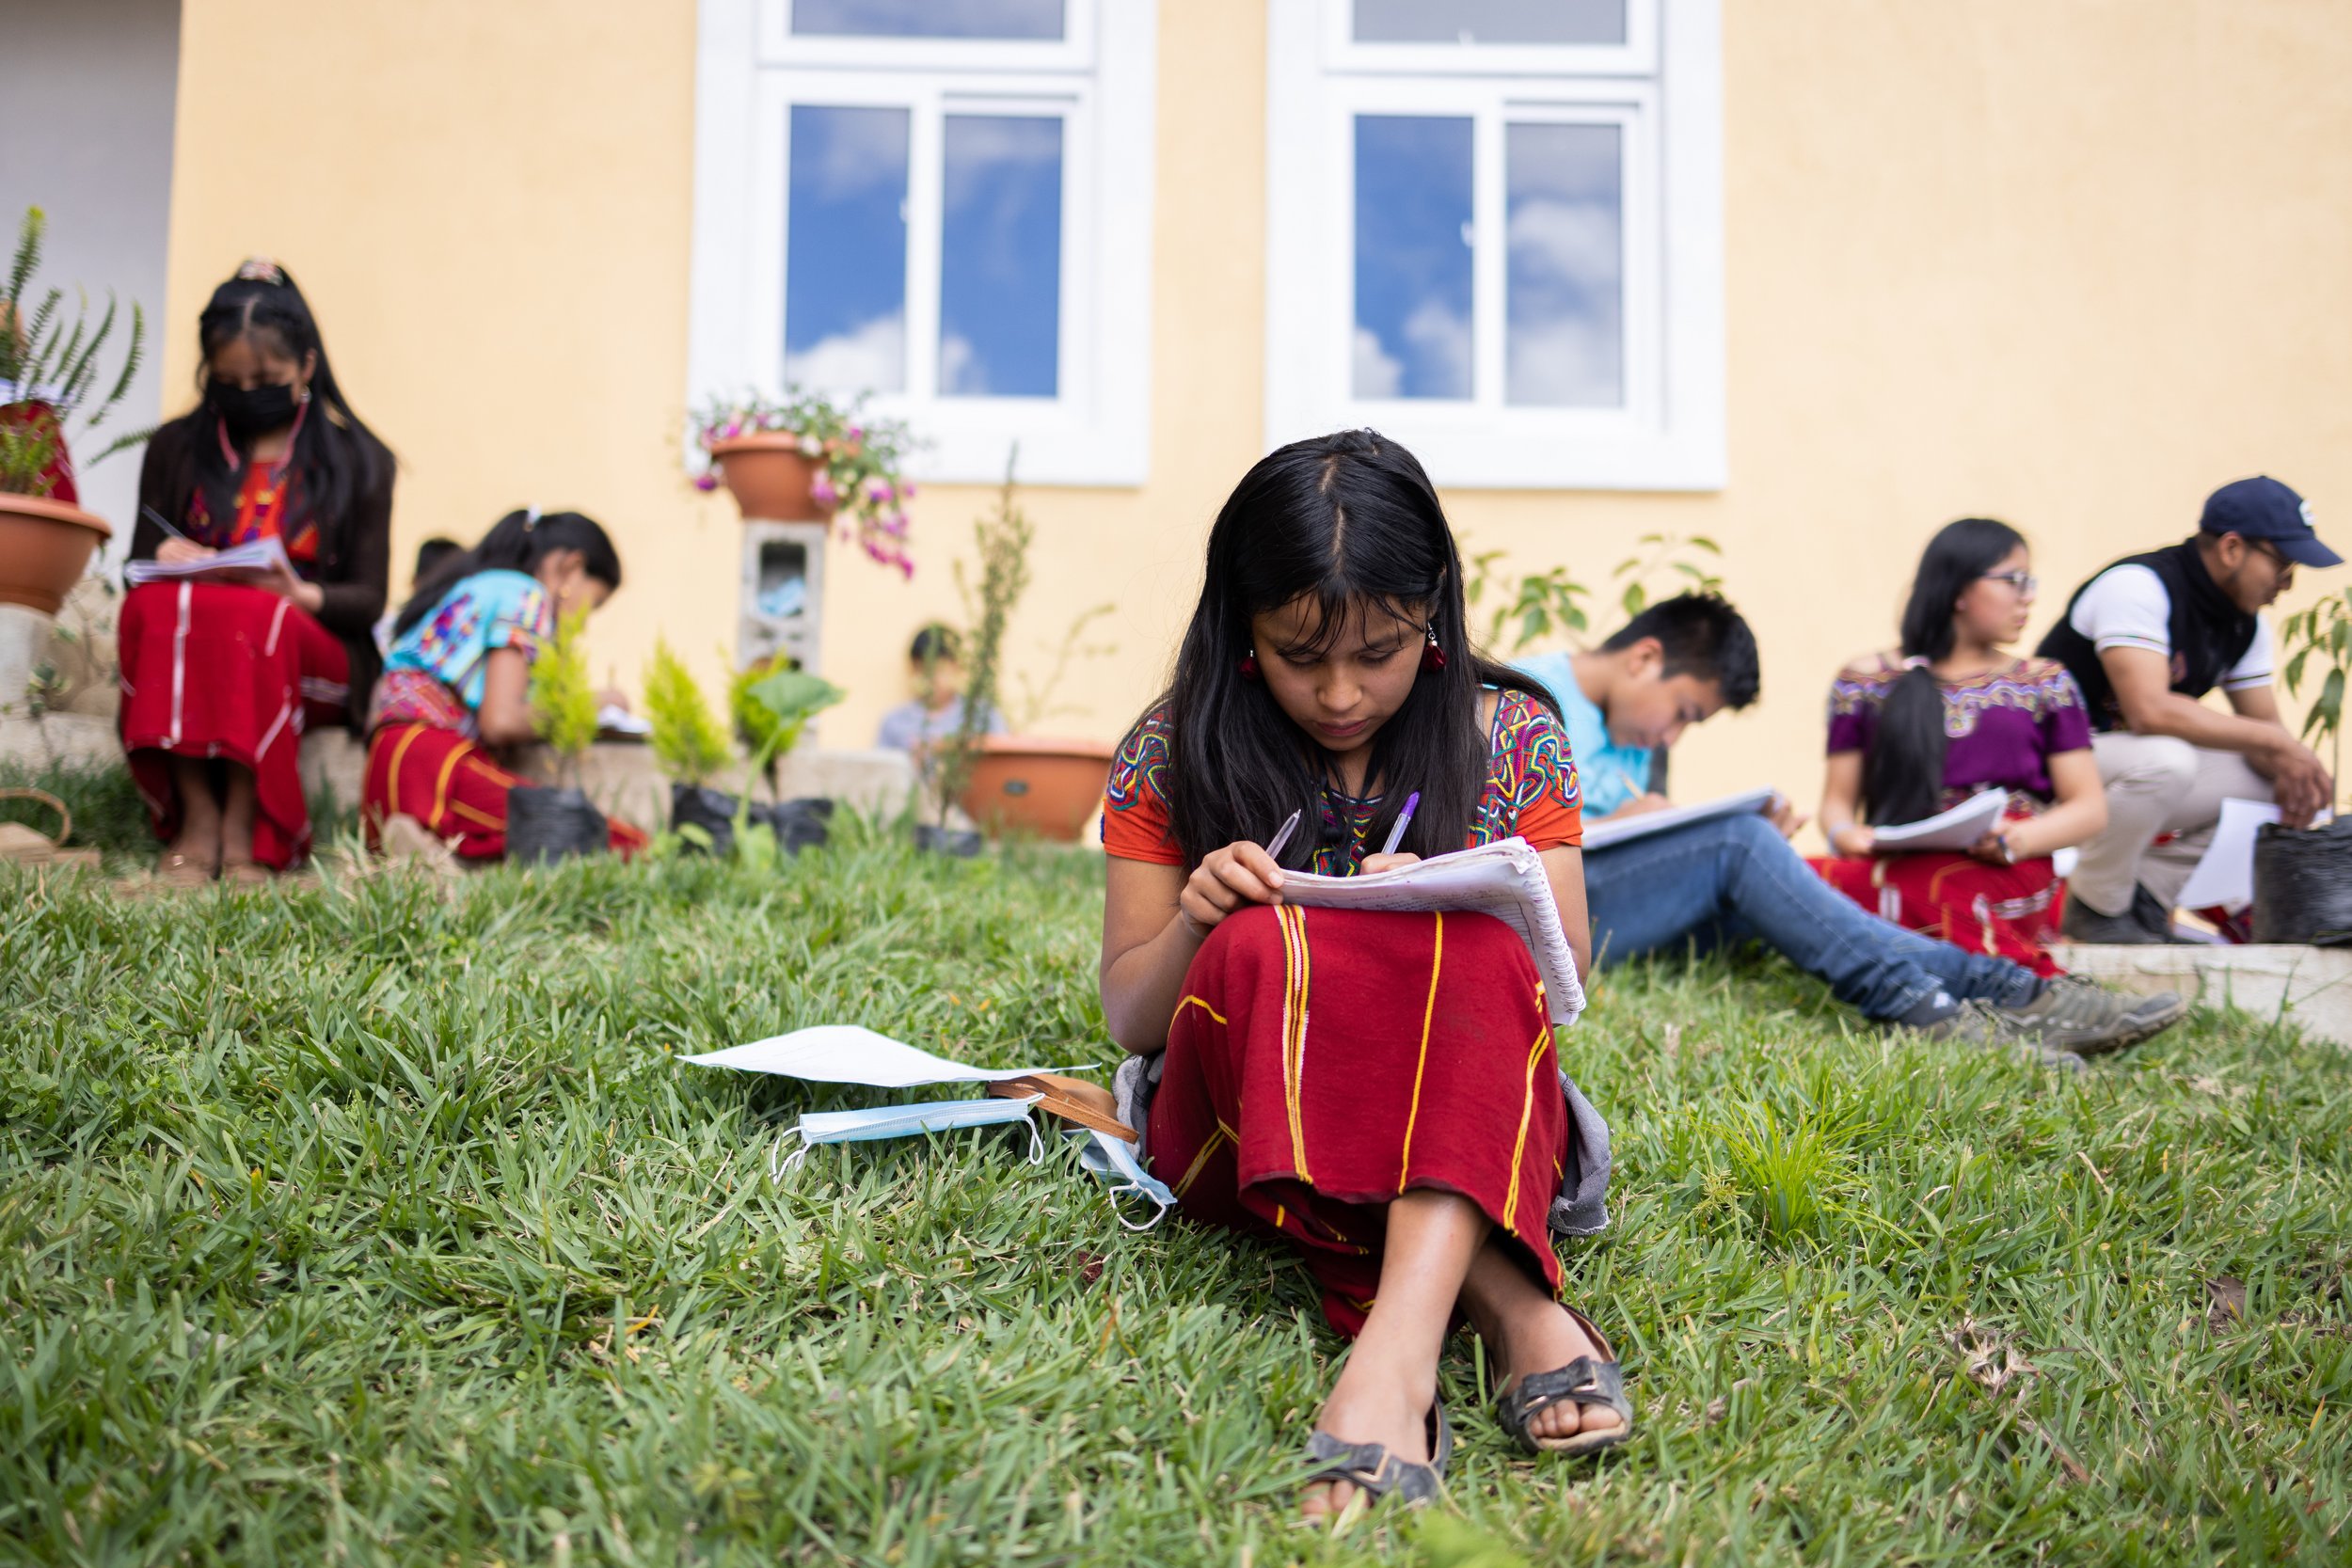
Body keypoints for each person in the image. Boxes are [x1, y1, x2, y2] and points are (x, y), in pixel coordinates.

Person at [1099, 431, 1628, 1518]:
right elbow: (1128, 1016)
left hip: (1460, 1080)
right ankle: (1507, 1298)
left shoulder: (1513, 734)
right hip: (1245, 1106)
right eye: (1298, 653)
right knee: (1256, 938)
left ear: (1432, 615)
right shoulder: (1171, 746)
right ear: (1240, 629)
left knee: (1481, 940)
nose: (1340, 692)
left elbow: (1561, 975)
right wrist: (1200, 918)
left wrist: (1459, 890)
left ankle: (1390, 1361)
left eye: (1379, 651)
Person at [1518, 595, 2181, 1065]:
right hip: (1552, 915)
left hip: (1612, 900)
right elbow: (1481, 841)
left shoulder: (1631, 729)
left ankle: (2014, 990)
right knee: (1738, 847)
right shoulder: (1523, 697)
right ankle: (1930, 1008)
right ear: (1643, 658)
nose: (1672, 735)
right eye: (1685, 713)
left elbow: (1653, 843)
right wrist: (1621, 823)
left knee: (1765, 862)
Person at [119, 257, 394, 884]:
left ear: (306, 367)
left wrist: (302, 593)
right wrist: (162, 556)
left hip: (309, 645)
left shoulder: (362, 460)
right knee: (154, 607)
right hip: (201, 634)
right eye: (229, 382)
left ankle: (247, 820)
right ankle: (199, 816)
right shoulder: (174, 447)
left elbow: (370, 599)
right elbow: (135, 567)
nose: (248, 395)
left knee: (259, 615)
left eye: (266, 378)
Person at [2039, 477, 2339, 942]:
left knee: (2272, 779)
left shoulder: (2246, 626)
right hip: (2044, 770)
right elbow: (2149, 711)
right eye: (2282, 564)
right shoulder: (2138, 585)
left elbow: (2267, 738)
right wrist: (2279, 742)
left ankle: (2141, 899)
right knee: (2167, 759)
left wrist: (2299, 772)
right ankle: (2095, 907)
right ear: (2232, 548)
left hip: (2115, 774)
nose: (2288, 583)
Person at [1813, 520, 2106, 976]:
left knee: (1935, 890)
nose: (2027, 596)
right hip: (1895, 859)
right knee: (1796, 882)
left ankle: (2024, 991)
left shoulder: (2045, 682)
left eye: (2030, 582)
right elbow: (1836, 804)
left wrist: (2019, 838)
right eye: (2013, 580)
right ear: (1958, 590)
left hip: (2007, 863)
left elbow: (2089, 808)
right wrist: (1845, 836)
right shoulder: (1865, 682)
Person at [363, 508, 645, 865]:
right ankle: (423, 849)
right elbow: (501, 721)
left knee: (513, 837)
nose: (584, 622)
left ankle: (423, 851)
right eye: (594, 604)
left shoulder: (478, 585)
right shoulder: (526, 595)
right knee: (609, 837)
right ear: (571, 568)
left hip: (384, 772)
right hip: (433, 764)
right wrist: (596, 703)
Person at [874, 623, 1005, 759]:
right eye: (923, 669)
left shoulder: (983, 716)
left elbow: (1003, 765)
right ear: (912, 669)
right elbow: (880, 773)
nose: (931, 678)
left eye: (939, 669)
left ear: (957, 666)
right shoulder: (894, 722)